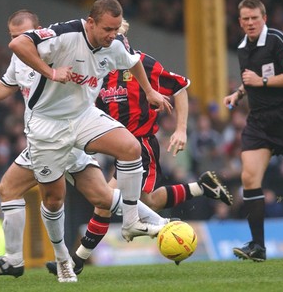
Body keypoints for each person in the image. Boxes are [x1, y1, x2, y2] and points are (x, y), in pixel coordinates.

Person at [0, 9, 165, 283]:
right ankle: (61, 258)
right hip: (46, 134)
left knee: (129, 149)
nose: (18, 40)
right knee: (65, 197)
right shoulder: (21, 58)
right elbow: (7, 83)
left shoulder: (57, 40)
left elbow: (131, 60)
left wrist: (149, 91)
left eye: (25, 33)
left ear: (39, 30)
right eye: (13, 36)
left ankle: (140, 222)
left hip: (79, 119)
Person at [46, 19, 233, 276]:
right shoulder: (96, 66)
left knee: (105, 201)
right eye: (108, 35)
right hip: (116, 147)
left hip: (140, 146)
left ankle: (75, 261)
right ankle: (201, 187)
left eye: (117, 35)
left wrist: (180, 129)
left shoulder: (141, 63)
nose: (113, 41)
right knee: (148, 201)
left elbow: (180, 86)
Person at [223, 0, 283, 262]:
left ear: (264, 18)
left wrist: (262, 80)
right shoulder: (242, 48)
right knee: (249, 177)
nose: (250, 23)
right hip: (258, 121)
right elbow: (250, 81)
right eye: (245, 19)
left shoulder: (278, 40)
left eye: (254, 18)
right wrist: (237, 94)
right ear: (240, 21)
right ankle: (257, 247)